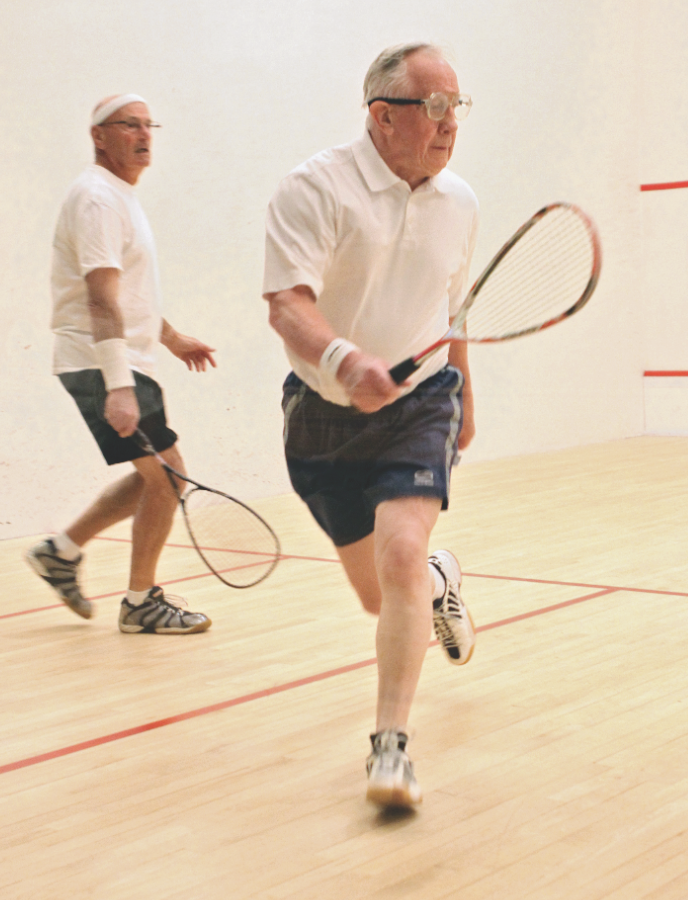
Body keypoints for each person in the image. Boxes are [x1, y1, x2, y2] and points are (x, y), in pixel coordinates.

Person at [263, 43, 479, 807]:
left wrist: (466, 397)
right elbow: (287, 305)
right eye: (437, 107)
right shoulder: (314, 188)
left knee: (398, 555)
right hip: (323, 414)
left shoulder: (459, 201)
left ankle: (391, 746)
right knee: (383, 595)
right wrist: (350, 363)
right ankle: (439, 581)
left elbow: (454, 310)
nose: (451, 123)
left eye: (459, 106)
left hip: (420, 403)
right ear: (384, 116)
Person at [26, 94, 216, 635]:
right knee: (169, 475)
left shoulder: (117, 197)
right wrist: (119, 384)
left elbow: (129, 295)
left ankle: (61, 552)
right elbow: (100, 299)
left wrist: (174, 339)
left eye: (148, 124)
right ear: (99, 137)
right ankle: (140, 602)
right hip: (101, 361)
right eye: (128, 125)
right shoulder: (98, 200)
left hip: (113, 360)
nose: (143, 134)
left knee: (155, 476)